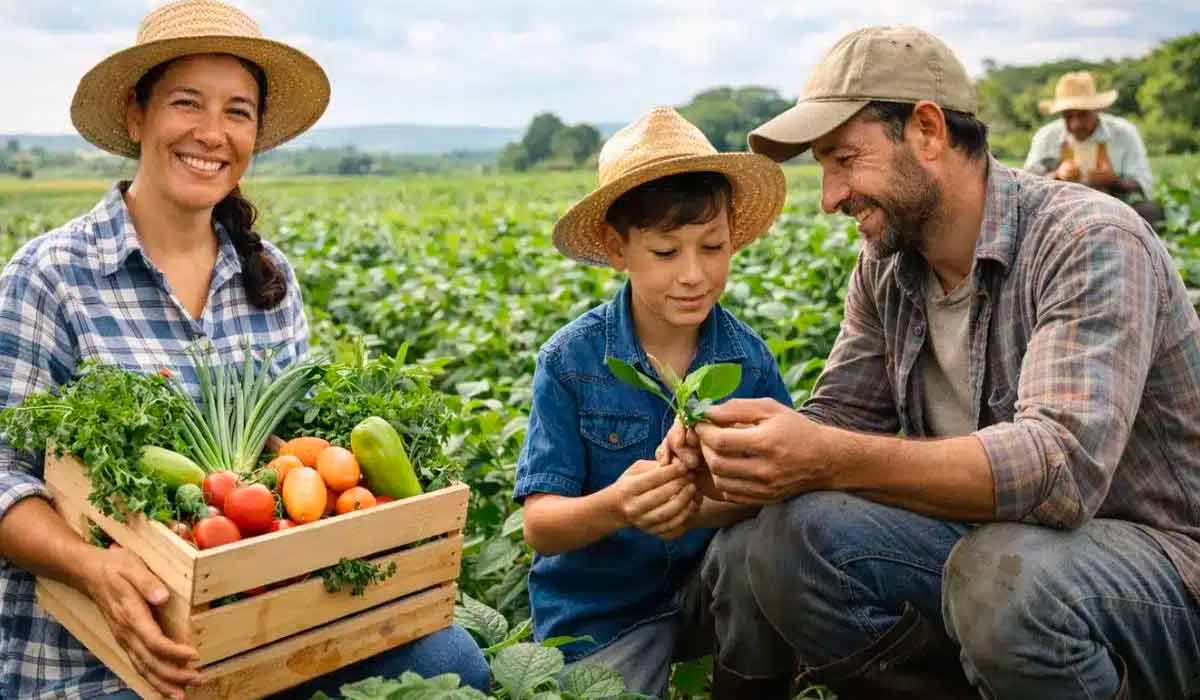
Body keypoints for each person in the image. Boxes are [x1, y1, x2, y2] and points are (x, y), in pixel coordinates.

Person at [663, 25, 1200, 700]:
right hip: (997, 553)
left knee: (1005, 581)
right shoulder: (887, 270)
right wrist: (722, 469)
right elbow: (837, 417)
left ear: (925, 130)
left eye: (843, 160)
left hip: (1163, 571)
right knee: (778, 542)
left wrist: (826, 455)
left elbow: (1059, 469)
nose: (830, 197)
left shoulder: (1088, 239)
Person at [0, 2, 488, 698]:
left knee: (452, 663)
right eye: (186, 103)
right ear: (138, 116)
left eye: (238, 111)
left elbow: (296, 462)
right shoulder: (50, 276)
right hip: (97, 655)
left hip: (256, 631)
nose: (211, 133)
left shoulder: (269, 279)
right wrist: (93, 568)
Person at [514, 107, 793, 698]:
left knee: (758, 553)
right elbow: (540, 526)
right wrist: (618, 506)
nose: (694, 274)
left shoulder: (749, 360)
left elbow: (787, 486)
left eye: (712, 247)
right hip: (600, 611)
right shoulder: (570, 362)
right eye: (666, 253)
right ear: (618, 249)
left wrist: (702, 503)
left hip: (709, 592)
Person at [1023, 71, 1164, 227]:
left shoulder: (1124, 133)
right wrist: (1057, 176)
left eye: (1082, 115)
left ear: (1097, 110)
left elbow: (1142, 183)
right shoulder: (1046, 136)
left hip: (1115, 210)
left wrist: (1114, 181)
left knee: (1150, 211)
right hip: (1060, 212)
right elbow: (1027, 186)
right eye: (1068, 116)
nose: (1075, 124)